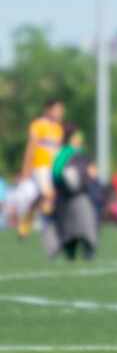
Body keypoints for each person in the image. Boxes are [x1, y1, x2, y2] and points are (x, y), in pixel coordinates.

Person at [15, 98, 65, 238]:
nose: (60, 113)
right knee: (49, 195)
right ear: (48, 110)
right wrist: (26, 168)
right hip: (40, 166)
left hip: (52, 168)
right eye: (57, 109)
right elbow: (31, 147)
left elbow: (57, 151)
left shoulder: (58, 129)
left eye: (61, 110)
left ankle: (26, 223)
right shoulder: (38, 125)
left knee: (41, 197)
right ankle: (53, 227)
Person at [52, 124, 98, 260]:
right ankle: (76, 251)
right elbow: (56, 173)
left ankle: (84, 250)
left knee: (78, 224)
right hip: (72, 195)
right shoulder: (65, 153)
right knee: (79, 224)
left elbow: (92, 172)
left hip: (77, 194)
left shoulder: (78, 153)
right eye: (78, 136)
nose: (80, 139)